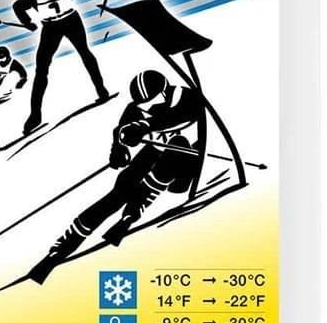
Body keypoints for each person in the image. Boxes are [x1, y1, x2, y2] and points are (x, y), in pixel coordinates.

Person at [27, 70, 206, 283]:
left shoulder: (186, 97)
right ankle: (62, 247)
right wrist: (118, 150)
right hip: (157, 150)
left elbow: (180, 117)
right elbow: (120, 130)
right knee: (123, 185)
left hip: (186, 162)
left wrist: (144, 127)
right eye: (144, 107)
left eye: (151, 105)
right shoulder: (136, 108)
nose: (147, 111)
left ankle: (135, 208)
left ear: (164, 92)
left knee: (175, 150)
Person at [12, 0, 110, 134]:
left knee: (85, 53)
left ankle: (101, 90)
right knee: (41, 69)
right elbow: (17, 6)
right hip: (51, 28)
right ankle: (35, 115)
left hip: (72, 21)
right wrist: (27, 23)